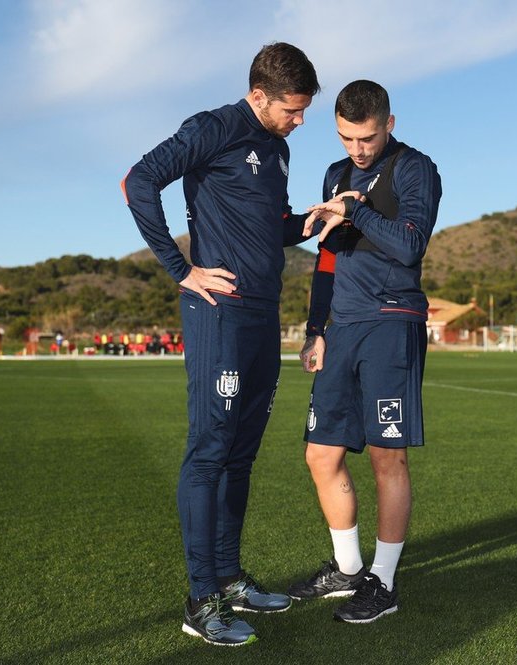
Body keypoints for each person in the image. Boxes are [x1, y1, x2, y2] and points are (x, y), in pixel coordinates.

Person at [122, 42, 320, 647]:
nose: (300, 121)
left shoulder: (277, 147)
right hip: (219, 311)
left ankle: (231, 578)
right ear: (259, 95)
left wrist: (311, 222)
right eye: (292, 109)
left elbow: (271, 226)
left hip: (262, 314)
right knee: (210, 449)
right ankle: (201, 598)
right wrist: (180, 269)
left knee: (241, 453)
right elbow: (138, 182)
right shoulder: (213, 127)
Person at [289, 80, 441, 624]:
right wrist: (315, 328)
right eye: (346, 137)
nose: (357, 148)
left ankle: (384, 581)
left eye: (367, 137)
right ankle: (349, 569)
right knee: (320, 454)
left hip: (392, 319)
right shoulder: (336, 172)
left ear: (390, 124)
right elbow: (327, 259)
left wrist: (355, 211)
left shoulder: (414, 168)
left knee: (386, 456)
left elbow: (409, 243)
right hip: (343, 326)